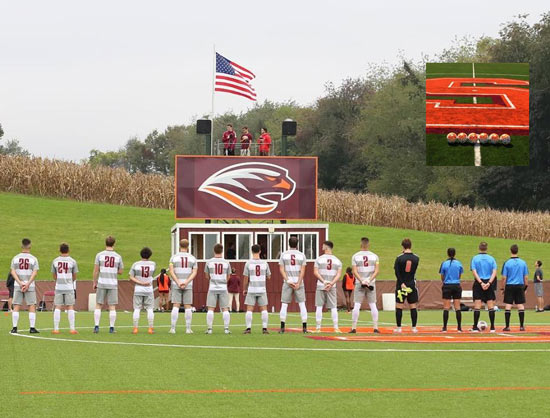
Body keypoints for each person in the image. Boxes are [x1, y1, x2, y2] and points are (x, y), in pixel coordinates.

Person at [93, 236, 123, 334]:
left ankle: (96, 326)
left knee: (98, 304)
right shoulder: (118, 256)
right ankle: (111, 328)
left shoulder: (99, 255)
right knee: (112, 306)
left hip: (101, 282)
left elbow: (96, 270)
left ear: (105, 243)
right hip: (112, 283)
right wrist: (114, 270)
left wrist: (94, 282)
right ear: (114, 244)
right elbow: (121, 271)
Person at [279, 236, 308, 333]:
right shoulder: (301, 255)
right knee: (302, 304)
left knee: (284, 304)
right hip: (298, 282)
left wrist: (288, 280)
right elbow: (303, 271)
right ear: (297, 244)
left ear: (288, 243)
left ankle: (282, 327)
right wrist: (299, 283)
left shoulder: (284, 255)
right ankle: (304, 327)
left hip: (288, 282)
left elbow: (281, 269)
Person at [10, 238, 39, 334]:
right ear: (30, 246)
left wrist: (19, 282)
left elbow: (13, 272)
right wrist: (27, 284)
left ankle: (14, 328)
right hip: (29, 285)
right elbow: (34, 273)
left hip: (18, 284)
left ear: (21, 246)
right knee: (31, 305)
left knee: (16, 305)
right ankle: (32, 328)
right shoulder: (33, 258)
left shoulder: (15, 258)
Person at [350, 237, 380, 333]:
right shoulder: (375, 256)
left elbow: (354, 271)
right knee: (373, 305)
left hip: (360, 283)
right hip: (371, 283)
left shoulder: (355, 256)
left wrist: (362, 280)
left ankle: (354, 327)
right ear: (368, 245)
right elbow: (376, 271)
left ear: (361, 245)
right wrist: (369, 280)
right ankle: (375, 327)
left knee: (357, 305)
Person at [169, 239, 198, 334]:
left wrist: (177, 282)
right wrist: (186, 282)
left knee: (176, 305)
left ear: (179, 246)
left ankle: (173, 328)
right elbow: (194, 272)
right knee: (188, 306)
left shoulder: (173, 258)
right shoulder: (193, 258)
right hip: (188, 284)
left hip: (176, 284)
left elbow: (171, 271)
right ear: (188, 246)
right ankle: (188, 328)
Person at [313, 241, 342, 333]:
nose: (321, 246)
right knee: (333, 307)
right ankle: (336, 327)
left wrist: (324, 281)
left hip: (321, 285)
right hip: (332, 286)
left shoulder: (319, 259)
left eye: (323, 245)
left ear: (326, 247)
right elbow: (338, 275)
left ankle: (318, 328)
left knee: (319, 306)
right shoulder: (337, 260)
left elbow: (315, 272)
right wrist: (331, 283)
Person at [242, 244, 271, 334]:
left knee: (249, 309)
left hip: (252, 289)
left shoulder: (248, 263)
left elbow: (246, 278)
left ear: (251, 251)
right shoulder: (265, 263)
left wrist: (244, 289)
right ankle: (265, 328)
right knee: (264, 309)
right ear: (260, 251)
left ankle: (248, 328)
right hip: (262, 289)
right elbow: (269, 276)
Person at [51, 242, 79, 334]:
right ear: (69, 250)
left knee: (58, 306)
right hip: (69, 287)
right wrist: (70, 281)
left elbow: (54, 275)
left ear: (59, 250)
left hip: (59, 286)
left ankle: (56, 329)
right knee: (70, 306)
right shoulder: (72, 261)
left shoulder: (55, 261)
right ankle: (72, 329)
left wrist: (58, 280)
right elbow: (75, 276)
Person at [470, 241, 498, 332]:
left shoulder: (475, 258)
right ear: (486, 248)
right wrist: (489, 283)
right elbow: (494, 272)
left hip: (479, 282)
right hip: (488, 282)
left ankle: (475, 327)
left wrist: (481, 282)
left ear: (479, 248)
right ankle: (493, 327)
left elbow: (474, 272)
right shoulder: (491, 259)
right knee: (491, 305)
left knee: (477, 305)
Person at [394, 238, 420, 333]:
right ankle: (414, 328)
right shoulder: (416, 258)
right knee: (413, 306)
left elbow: (397, 272)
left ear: (403, 246)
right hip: (411, 284)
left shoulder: (399, 258)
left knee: (399, 306)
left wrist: (401, 283)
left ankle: (399, 328)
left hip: (401, 284)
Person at [204, 243, 231, 334]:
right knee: (225, 309)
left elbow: (207, 276)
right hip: (223, 287)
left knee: (211, 308)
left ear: (214, 251)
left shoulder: (209, 262)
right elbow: (228, 276)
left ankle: (210, 329)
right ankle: (226, 329)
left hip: (212, 287)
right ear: (222, 251)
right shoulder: (226, 262)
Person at [501, 244, 529, 331]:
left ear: (510, 251)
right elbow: (526, 277)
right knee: (520, 305)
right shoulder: (523, 263)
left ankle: (507, 326)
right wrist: (526, 287)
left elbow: (504, 277)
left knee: (508, 305)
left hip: (509, 285)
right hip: (520, 285)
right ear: (517, 251)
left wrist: (503, 288)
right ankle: (521, 326)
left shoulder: (507, 263)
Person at [129, 247, 156, 334]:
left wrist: (140, 282)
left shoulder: (136, 264)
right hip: (149, 289)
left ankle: (135, 328)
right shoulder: (153, 264)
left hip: (138, 288)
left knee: (137, 308)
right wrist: (145, 282)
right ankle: (150, 328)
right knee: (150, 309)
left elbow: (131, 277)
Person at [439, 248, 463, 332]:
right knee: (457, 307)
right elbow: (460, 275)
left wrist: (445, 281)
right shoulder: (459, 263)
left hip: (447, 285)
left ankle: (445, 327)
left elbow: (442, 276)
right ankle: (459, 327)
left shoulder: (444, 263)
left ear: (447, 253)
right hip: (456, 285)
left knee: (446, 307)